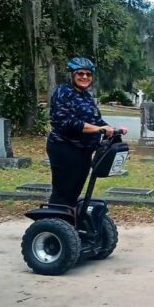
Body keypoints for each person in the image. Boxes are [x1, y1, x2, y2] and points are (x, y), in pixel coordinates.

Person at [47, 57, 128, 208]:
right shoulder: (63, 92)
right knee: (63, 191)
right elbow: (67, 123)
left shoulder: (85, 95)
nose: (84, 77)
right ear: (72, 75)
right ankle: (54, 226)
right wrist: (99, 129)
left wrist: (113, 129)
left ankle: (68, 225)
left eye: (88, 74)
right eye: (80, 73)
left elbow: (96, 121)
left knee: (74, 190)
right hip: (65, 148)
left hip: (83, 150)